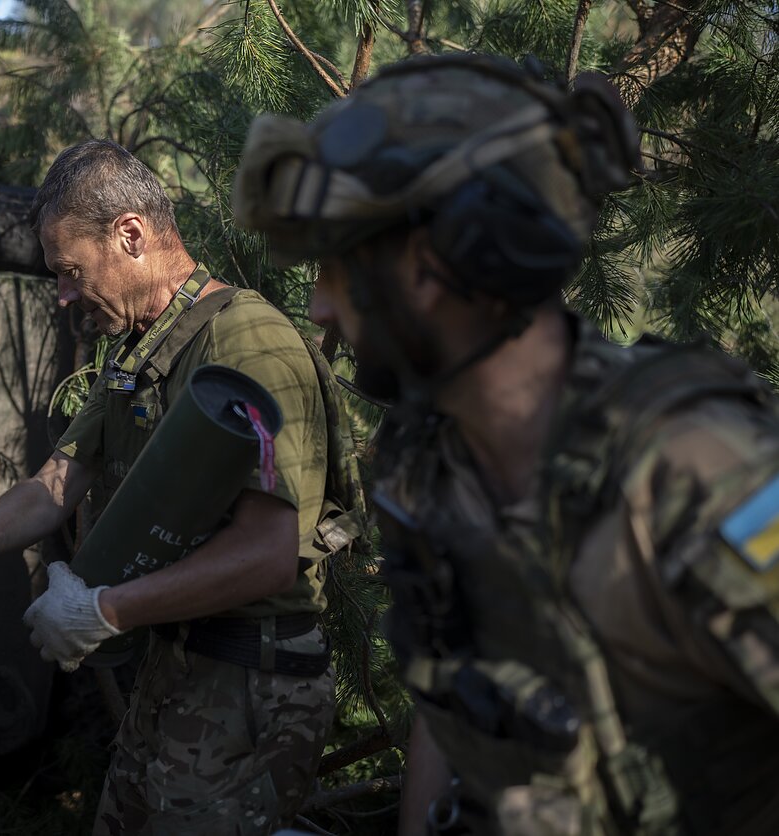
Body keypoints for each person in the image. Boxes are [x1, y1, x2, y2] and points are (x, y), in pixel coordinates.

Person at [232, 53, 779, 836]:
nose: (318, 306)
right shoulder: (430, 463)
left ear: (433, 265)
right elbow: (453, 713)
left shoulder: (697, 467)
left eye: (338, 267)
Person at [0, 139, 344, 835]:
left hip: (249, 686)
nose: (65, 293)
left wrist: (106, 609)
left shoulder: (247, 343)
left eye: (72, 270)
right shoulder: (146, 348)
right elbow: (60, 479)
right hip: (177, 672)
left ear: (130, 234)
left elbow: (269, 552)